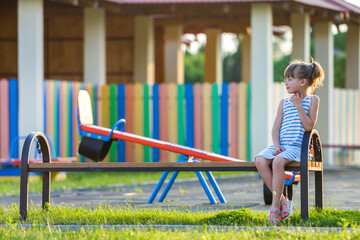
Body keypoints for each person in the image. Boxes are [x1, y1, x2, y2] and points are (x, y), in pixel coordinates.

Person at [254, 59, 325, 224]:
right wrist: (277, 145)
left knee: (278, 162)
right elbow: (275, 129)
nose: (285, 83)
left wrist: (299, 106)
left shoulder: (313, 101)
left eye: (289, 79)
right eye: (286, 79)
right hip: (281, 146)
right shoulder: (283, 103)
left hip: (298, 148)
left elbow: (309, 127)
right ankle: (283, 201)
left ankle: (275, 208)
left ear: (302, 82)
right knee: (259, 160)